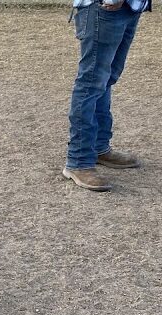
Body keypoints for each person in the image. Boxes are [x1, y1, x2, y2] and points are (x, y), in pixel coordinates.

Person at [63, 0, 151, 191]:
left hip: (130, 7)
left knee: (105, 79)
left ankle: (97, 147)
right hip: (106, 7)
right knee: (91, 83)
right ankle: (78, 160)